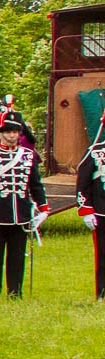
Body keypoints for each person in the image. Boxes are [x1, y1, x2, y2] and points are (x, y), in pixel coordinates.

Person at [0, 110, 47, 299]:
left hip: (20, 215)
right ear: (0, 133)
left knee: (17, 258)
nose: (12, 135)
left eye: (15, 131)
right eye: (8, 131)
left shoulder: (28, 156)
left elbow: (35, 184)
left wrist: (43, 207)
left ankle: (15, 292)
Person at [75, 111, 105, 301]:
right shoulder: (95, 151)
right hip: (102, 213)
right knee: (103, 257)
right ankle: (102, 293)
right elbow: (83, 183)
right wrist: (86, 210)